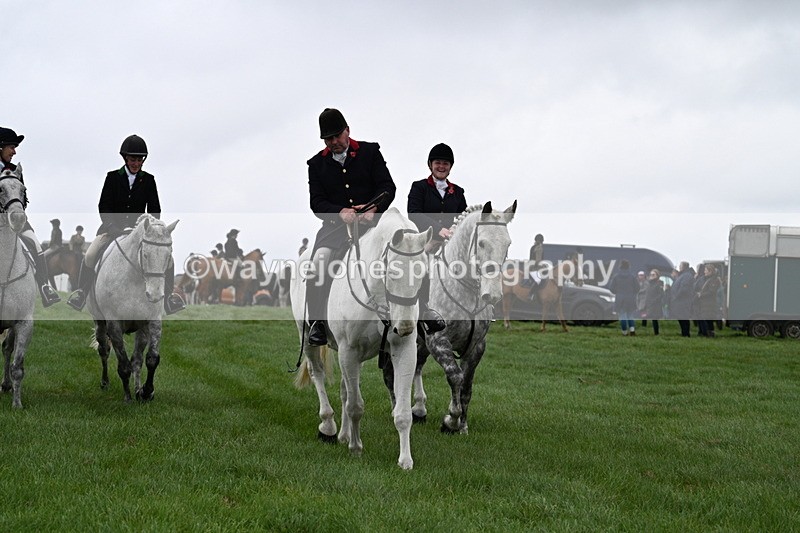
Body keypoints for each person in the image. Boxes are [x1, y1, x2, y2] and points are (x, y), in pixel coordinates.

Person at [305, 108, 397, 346]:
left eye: (337, 136)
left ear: (348, 130)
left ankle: (417, 316)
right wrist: (340, 213)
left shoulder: (370, 152)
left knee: (405, 256)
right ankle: (316, 323)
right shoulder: (316, 164)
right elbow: (316, 203)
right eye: (328, 139)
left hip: (373, 225)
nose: (334, 142)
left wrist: (373, 208)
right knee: (318, 263)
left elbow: (388, 187)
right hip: (336, 229)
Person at [67, 134, 185, 314]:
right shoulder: (112, 177)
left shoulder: (149, 180)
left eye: (139, 160)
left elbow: (155, 209)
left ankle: (168, 299)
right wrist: (113, 227)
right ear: (125, 158)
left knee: (168, 259)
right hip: (112, 229)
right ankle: (82, 293)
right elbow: (104, 206)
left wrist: (151, 230)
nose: (136, 163)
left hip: (139, 232)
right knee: (90, 255)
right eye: (132, 159)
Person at [407, 142, 466, 334]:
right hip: (425, 240)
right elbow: (413, 213)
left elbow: (462, 218)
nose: (442, 167)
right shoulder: (419, 187)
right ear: (430, 164)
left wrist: (452, 231)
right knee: (418, 270)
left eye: (446, 164)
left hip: (450, 242)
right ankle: (420, 311)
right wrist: (438, 229)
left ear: (450, 167)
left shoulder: (458, 192)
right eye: (438, 163)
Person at [0, 126, 60, 306]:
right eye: (12, 146)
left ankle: (44, 287)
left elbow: (23, 199)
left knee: (34, 243)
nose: (14, 151)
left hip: (15, 220)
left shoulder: (15, 170)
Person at [608, 259, 639, 335]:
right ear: (629, 267)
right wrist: (632, 293)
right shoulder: (632, 277)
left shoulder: (616, 277)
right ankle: (632, 330)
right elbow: (637, 288)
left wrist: (617, 292)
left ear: (620, 266)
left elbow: (611, 288)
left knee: (622, 315)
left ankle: (624, 331)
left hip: (620, 298)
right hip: (630, 298)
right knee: (630, 315)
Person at [670, 261, 694, 337]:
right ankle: (683, 332)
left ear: (684, 267)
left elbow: (684, 288)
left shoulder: (687, 275)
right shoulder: (683, 275)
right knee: (681, 317)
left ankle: (686, 333)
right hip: (679, 301)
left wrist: (676, 296)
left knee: (684, 317)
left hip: (683, 301)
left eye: (680, 266)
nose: (679, 267)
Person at [696, 264, 721, 337]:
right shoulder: (707, 279)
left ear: (710, 271)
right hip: (705, 304)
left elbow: (711, 292)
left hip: (709, 304)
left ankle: (710, 334)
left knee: (708, 320)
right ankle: (705, 333)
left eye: (706, 270)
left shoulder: (714, 280)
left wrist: (701, 295)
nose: (704, 272)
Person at [643, 269, 664, 335]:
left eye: (653, 275)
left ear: (657, 275)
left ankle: (656, 333)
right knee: (647, 316)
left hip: (655, 304)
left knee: (654, 319)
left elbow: (661, 294)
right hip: (649, 303)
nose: (652, 276)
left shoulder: (659, 283)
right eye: (651, 274)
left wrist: (654, 300)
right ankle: (644, 328)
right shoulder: (649, 283)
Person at [527, 233, 545, 300]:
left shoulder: (533, 247)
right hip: (534, 268)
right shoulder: (539, 248)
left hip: (531, 267)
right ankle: (530, 294)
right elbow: (538, 261)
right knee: (538, 280)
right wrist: (543, 266)